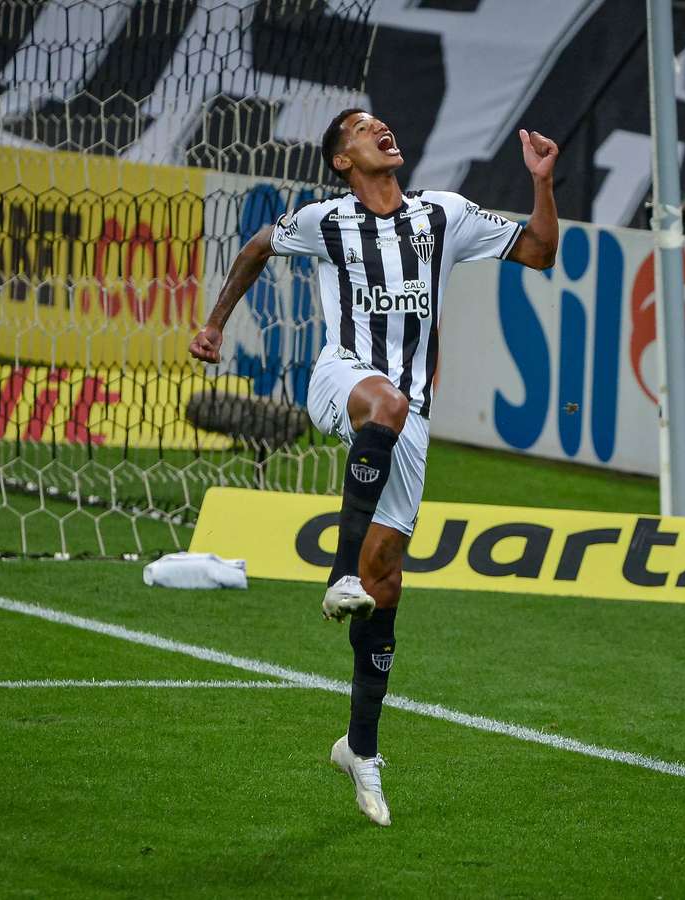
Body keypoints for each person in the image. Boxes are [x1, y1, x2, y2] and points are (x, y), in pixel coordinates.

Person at [189, 109, 559, 826]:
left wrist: (542, 183)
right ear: (342, 160)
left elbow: (541, 252)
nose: (383, 129)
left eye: (384, 123)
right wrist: (214, 323)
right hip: (344, 377)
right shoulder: (326, 220)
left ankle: (359, 747)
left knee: (386, 577)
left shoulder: (444, 214)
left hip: (410, 417)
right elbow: (259, 245)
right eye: (364, 128)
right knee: (384, 406)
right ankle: (338, 573)